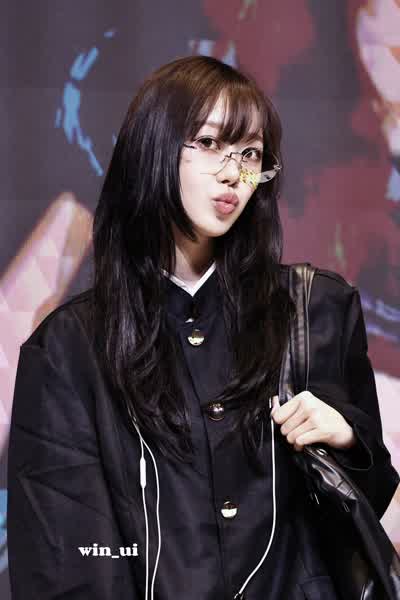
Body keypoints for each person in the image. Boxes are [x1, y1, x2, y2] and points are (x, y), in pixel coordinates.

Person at [7, 55, 399, 600]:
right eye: (210, 143)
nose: (233, 173)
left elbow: (366, 502)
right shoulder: (70, 348)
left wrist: (348, 439)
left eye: (251, 154)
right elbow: (65, 555)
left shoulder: (316, 311)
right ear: (154, 148)